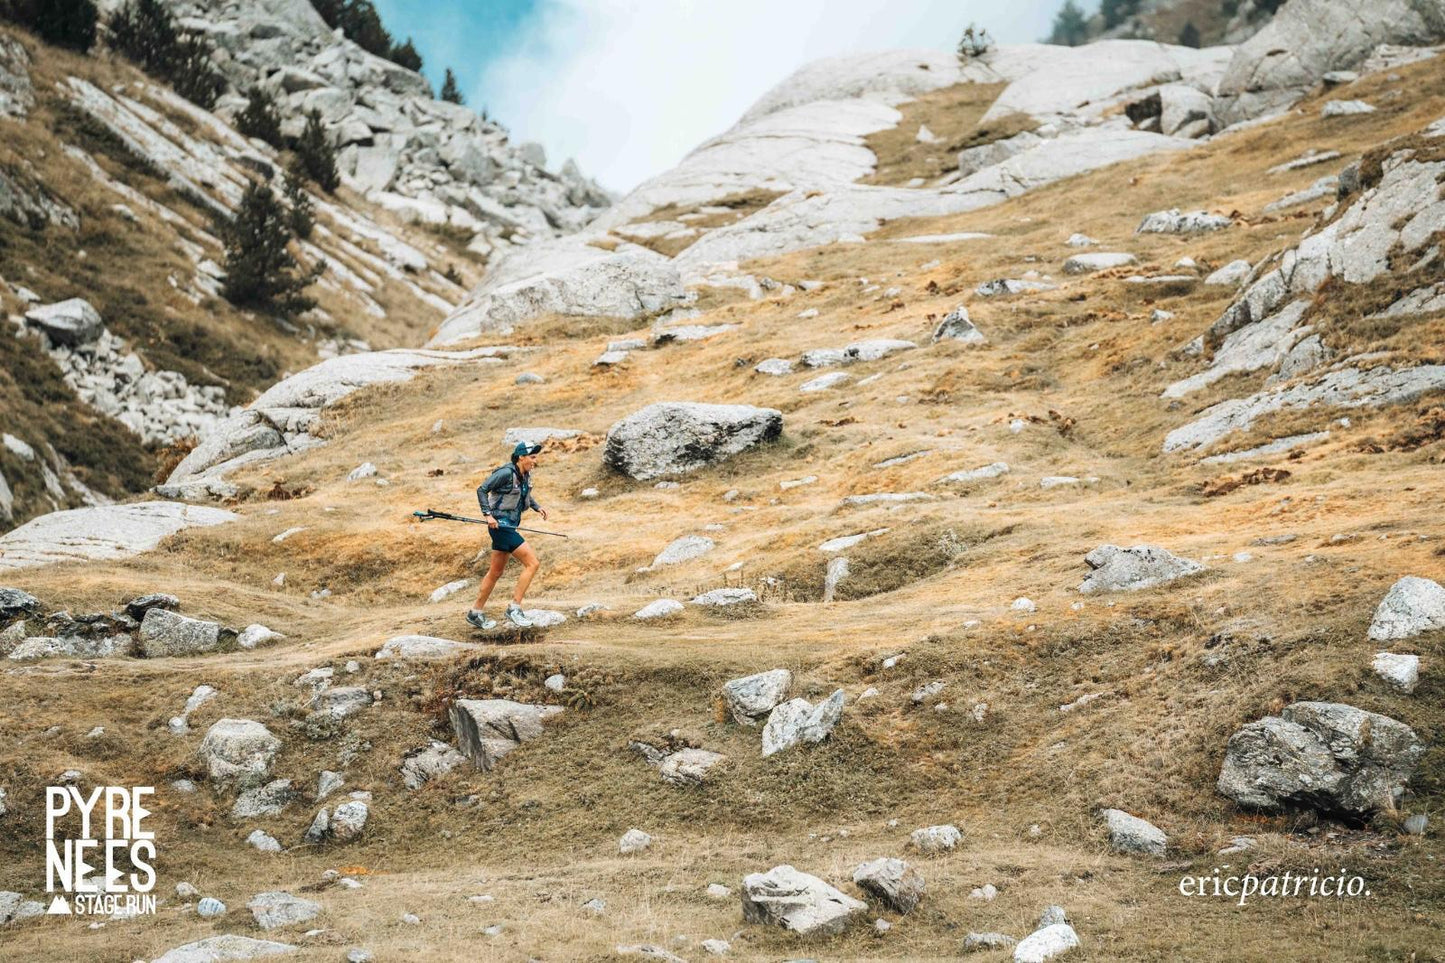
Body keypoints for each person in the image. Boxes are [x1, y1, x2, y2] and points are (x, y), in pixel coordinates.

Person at [467, 442, 549, 629]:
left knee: (495, 572)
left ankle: (475, 612)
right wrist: (487, 515)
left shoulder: (524, 475)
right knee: (532, 563)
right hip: (500, 527)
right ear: (521, 457)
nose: (535, 461)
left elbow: (523, 494)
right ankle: (514, 608)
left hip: (510, 526)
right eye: (532, 457)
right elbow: (482, 489)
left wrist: (537, 507)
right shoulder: (505, 473)